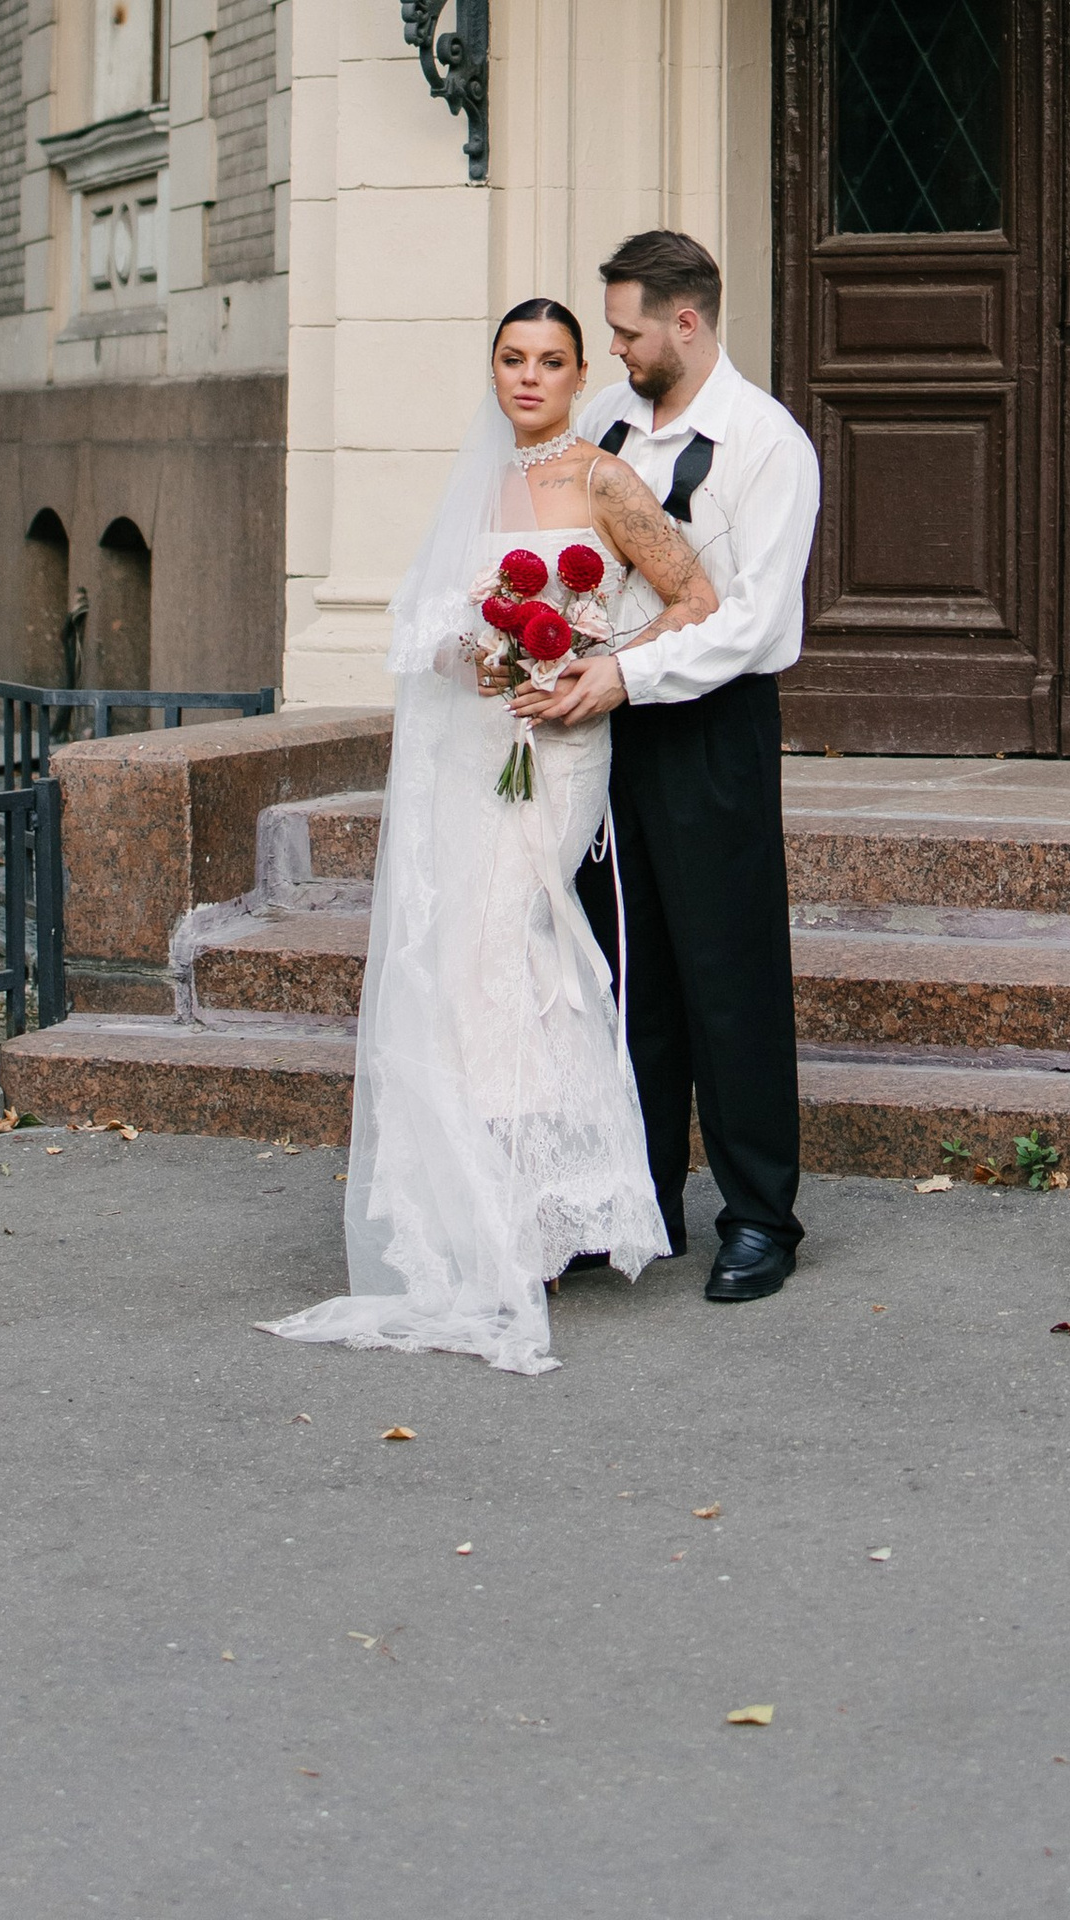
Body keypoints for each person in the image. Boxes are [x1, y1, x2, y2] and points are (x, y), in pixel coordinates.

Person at [262, 298, 715, 1376]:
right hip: (477, 746)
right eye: (512, 359)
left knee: (523, 944)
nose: (529, 377)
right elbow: (439, 624)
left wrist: (599, 665)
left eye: (552, 361)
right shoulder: (479, 480)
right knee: (460, 957)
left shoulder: (602, 480)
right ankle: (481, 1203)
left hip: (561, 750)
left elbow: (695, 595)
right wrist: (478, 654)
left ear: (574, 377)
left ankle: (542, 1204)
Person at [509, 229, 821, 1305]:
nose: (616, 348)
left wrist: (624, 678)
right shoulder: (604, 426)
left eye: (628, 331)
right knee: (624, 970)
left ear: (684, 323)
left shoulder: (768, 445)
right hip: (601, 732)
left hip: (711, 724)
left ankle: (759, 1218)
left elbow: (760, 625)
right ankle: (636, 1200)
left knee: (726, 975)